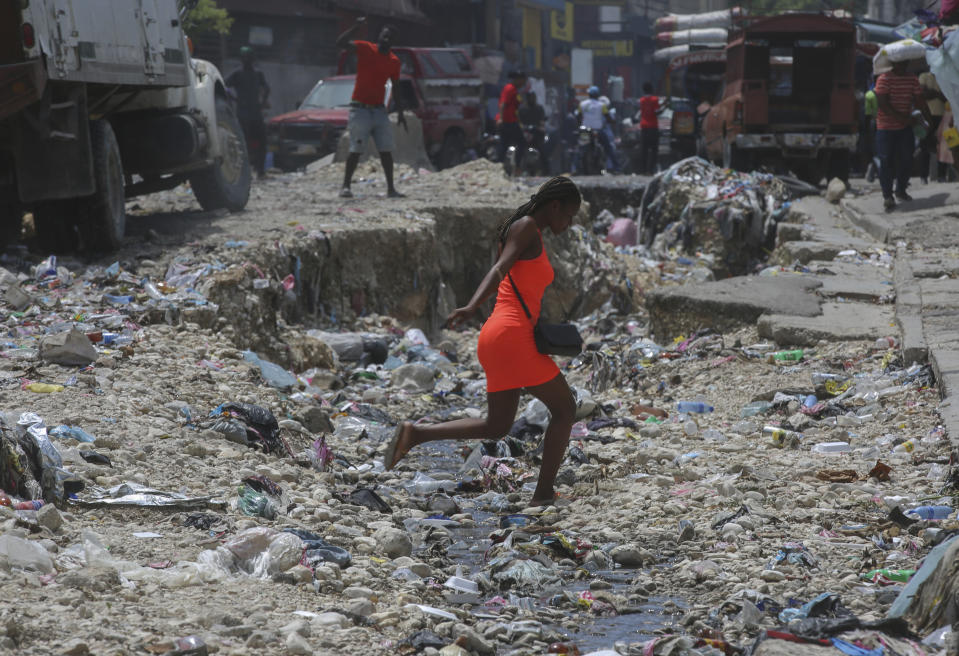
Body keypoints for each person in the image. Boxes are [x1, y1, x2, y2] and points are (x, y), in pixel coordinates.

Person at [383, 176, 582, 507]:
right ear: (555, 205)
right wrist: (473, 304)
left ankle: (415, 434)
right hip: (511, 335)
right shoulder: (527, 227)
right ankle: (543, 493)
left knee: (497, 425)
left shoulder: (527, 230)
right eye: (569, 215)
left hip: (499, 337)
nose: (569, 222)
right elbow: (500, 268)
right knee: (565, 408)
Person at [336, 18, 407, 199]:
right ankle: (345, 186)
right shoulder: (366, 48)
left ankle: (391, 189)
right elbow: (340, 43)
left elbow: (396, 87)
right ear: (379, 36)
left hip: (379, 110)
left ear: (393, 41)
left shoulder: (394, 61)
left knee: (386, 150)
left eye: (389, 38)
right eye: (384, 36)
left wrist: (400, 112)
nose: (386, 40)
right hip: (360, 109)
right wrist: (356, 27)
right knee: (356, 149)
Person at [875, 61, 931, 211]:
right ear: (894, 63)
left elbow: (919, 100)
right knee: (886, 160)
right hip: (886, 127)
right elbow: (883, 104)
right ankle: (887, 195)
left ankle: (900, 189)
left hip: (905, 127)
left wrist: (923, 117)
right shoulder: (884, 79)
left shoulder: (912, 79)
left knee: (906, 158)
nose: (903, 66)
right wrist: (903, 118)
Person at [227, 47, 270, 179]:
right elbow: (224, 86)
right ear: (242, 59)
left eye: (249, 57)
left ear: (253, 59)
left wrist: (263, 102)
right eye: (245, 58)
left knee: (261, 142)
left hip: (255, 113)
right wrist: (234, 99)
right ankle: (245, 172)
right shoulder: (237, 74)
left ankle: (260, 171)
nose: (247, 60)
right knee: (243, 143)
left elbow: (267, 88)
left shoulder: (258, 74)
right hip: (243, 114)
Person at [577, 86, 616, 170]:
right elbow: (608, 117)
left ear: (589, 94)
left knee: (581, 149)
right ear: (597, 95)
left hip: (585, 131)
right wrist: (612, 121)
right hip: (598, 130)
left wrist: (580, 125)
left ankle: (576, 168)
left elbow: (578, 117)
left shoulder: (582, 104)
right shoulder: (602, 105)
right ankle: (617, 168)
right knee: (609, 148)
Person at [919, 70, 947, 183]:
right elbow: (922, 94)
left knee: (943, 147)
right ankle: (923, 176)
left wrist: (933, 93)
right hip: (927, 115)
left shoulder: (944, 76)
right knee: (924, 147)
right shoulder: (924, 76)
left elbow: (947, 96)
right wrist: (938, 94)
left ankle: (941, 175)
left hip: (943, 115)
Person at [497, 71, 528, 170]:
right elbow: (503, 104)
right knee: (521, 142)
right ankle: (516, 165)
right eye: (523, 81)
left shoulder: (515, 90)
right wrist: (501, 119)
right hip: (508, 122)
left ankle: (502, 166)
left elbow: (514, 109)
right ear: (518, 80)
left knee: (505, 144)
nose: (524, 83)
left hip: (512, 121)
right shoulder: (509, 88)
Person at [636, 82, 668, 175]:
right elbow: (657, 112)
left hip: (644, 127)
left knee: (644, 150)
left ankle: (643, 170)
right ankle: (650, 170)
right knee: (654, 150)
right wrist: (664, 106)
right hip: (653, 127)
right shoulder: (654, 99)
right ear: (651, 90)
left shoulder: (641, 100)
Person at [518, 91, 548, 173]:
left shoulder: (539, 108)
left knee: (543, 152)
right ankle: (517, 168)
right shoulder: (522, 109)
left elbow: (542, 120)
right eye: (530, 97)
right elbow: (519, 121)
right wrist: (522, 128)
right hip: (525, 133)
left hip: (537, 134)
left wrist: (541, 127)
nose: (532, 99)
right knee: (519, 150)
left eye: (533, 97)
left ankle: (546, 170)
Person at [863, 84, 879, 182]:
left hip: (873, 124)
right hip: (886, 123)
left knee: (875, 149)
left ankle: (872, 170)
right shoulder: (887, 92)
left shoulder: (869, 95)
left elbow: (867, 114)